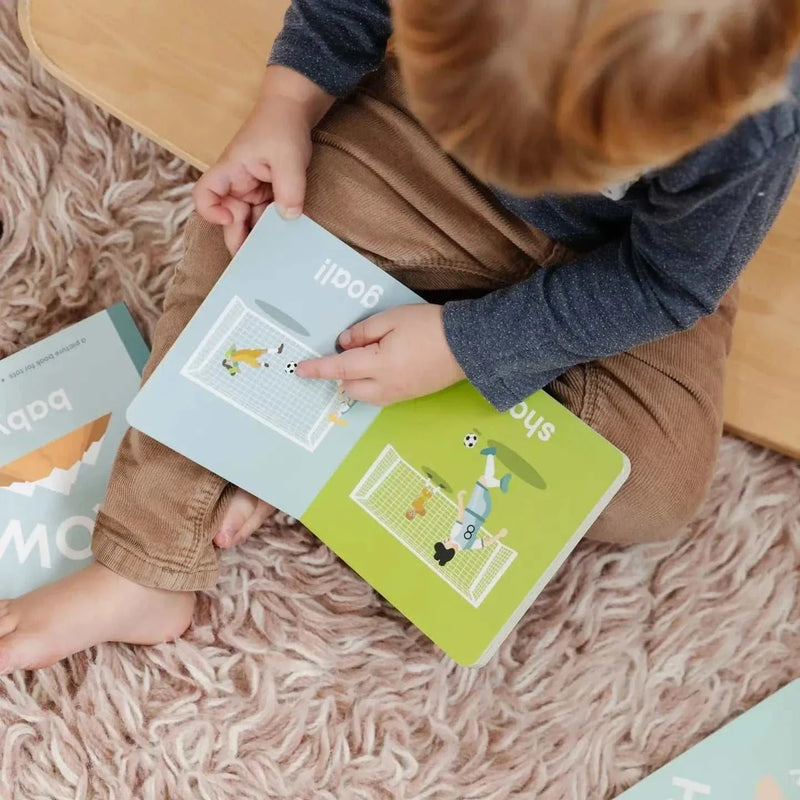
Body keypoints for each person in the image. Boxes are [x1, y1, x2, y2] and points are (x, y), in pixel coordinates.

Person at [1, 0, 799, 674]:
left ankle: (304, 420)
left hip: (625, 257)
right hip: (425, 161)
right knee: (250, 229)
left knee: (654, 488)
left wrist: (465, 347)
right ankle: (145, 557)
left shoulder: (756, 103)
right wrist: (287, 103)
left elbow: (669, 281)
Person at [433, 447, 511, 567]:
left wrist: (499, 535)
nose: (445, 539)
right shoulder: (454, 535)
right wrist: (460, 498)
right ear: (447, 548)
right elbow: (461, 516)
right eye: (444, 542)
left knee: (483, 480)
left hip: (483, 512)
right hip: (474, 508)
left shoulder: (466, 547)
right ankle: (492, 458)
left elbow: (485, 543)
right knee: (482, 479)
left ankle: (500, 481)